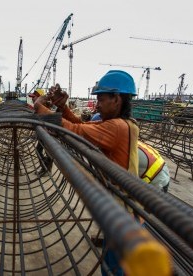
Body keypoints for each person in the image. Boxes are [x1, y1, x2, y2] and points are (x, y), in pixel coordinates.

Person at [35, 70, 139, 276]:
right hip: (120, 207)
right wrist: (62, 107)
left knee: (114, 268)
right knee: (111, 264)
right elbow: (82, 125)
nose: (97, 104)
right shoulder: (120, 124)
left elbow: (75, 131)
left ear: (116, 99)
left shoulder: (117, 127)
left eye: (100, 99)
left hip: (121, 212)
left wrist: (40, 107)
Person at [91, 113, 170, 193]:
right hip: (159, 169)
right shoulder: (123, 139)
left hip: (157, 179)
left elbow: (115, 179)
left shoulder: (118, 150)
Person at [28, 89, 53, 176]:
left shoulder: (45, 109)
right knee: (42, 151)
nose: (32, 99)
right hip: (43, 133)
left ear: (40, 97)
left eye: (34, 97)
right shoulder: (40, 108)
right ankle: (46, 169)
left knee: (43, 151)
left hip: (47, 134)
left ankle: (46, 169)